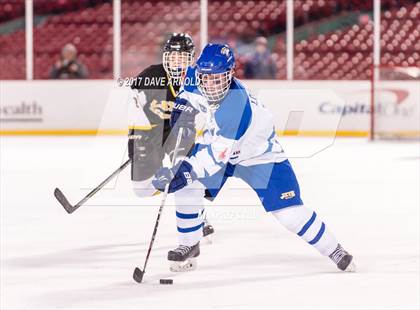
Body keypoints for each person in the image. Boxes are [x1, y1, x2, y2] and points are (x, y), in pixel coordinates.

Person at [152, 43, 356, 273]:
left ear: (230, 75)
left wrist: (184, 171)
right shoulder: (197, 76)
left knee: (289, 214)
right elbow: (187, 92)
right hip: (224, 149)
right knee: (188, 186)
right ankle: (188, 244)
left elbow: (214, 157)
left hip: (259, 156)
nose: (209, 84)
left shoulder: (236, 106)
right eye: (205, 78)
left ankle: (334, 249)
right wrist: (181, 111)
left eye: (216, 79)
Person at [127, 33, 214, 254]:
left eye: (182, 57)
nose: (177, 61)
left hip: (182, 132)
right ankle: (170, 190)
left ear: (191, 58)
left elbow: (209, 114)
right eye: (173, 57)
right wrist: (135, 143)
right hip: (155, 131)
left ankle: (198, 217)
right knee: (141, 189)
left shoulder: (198, 79)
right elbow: (136, 110)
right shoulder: (151, 76)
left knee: (184, 175)